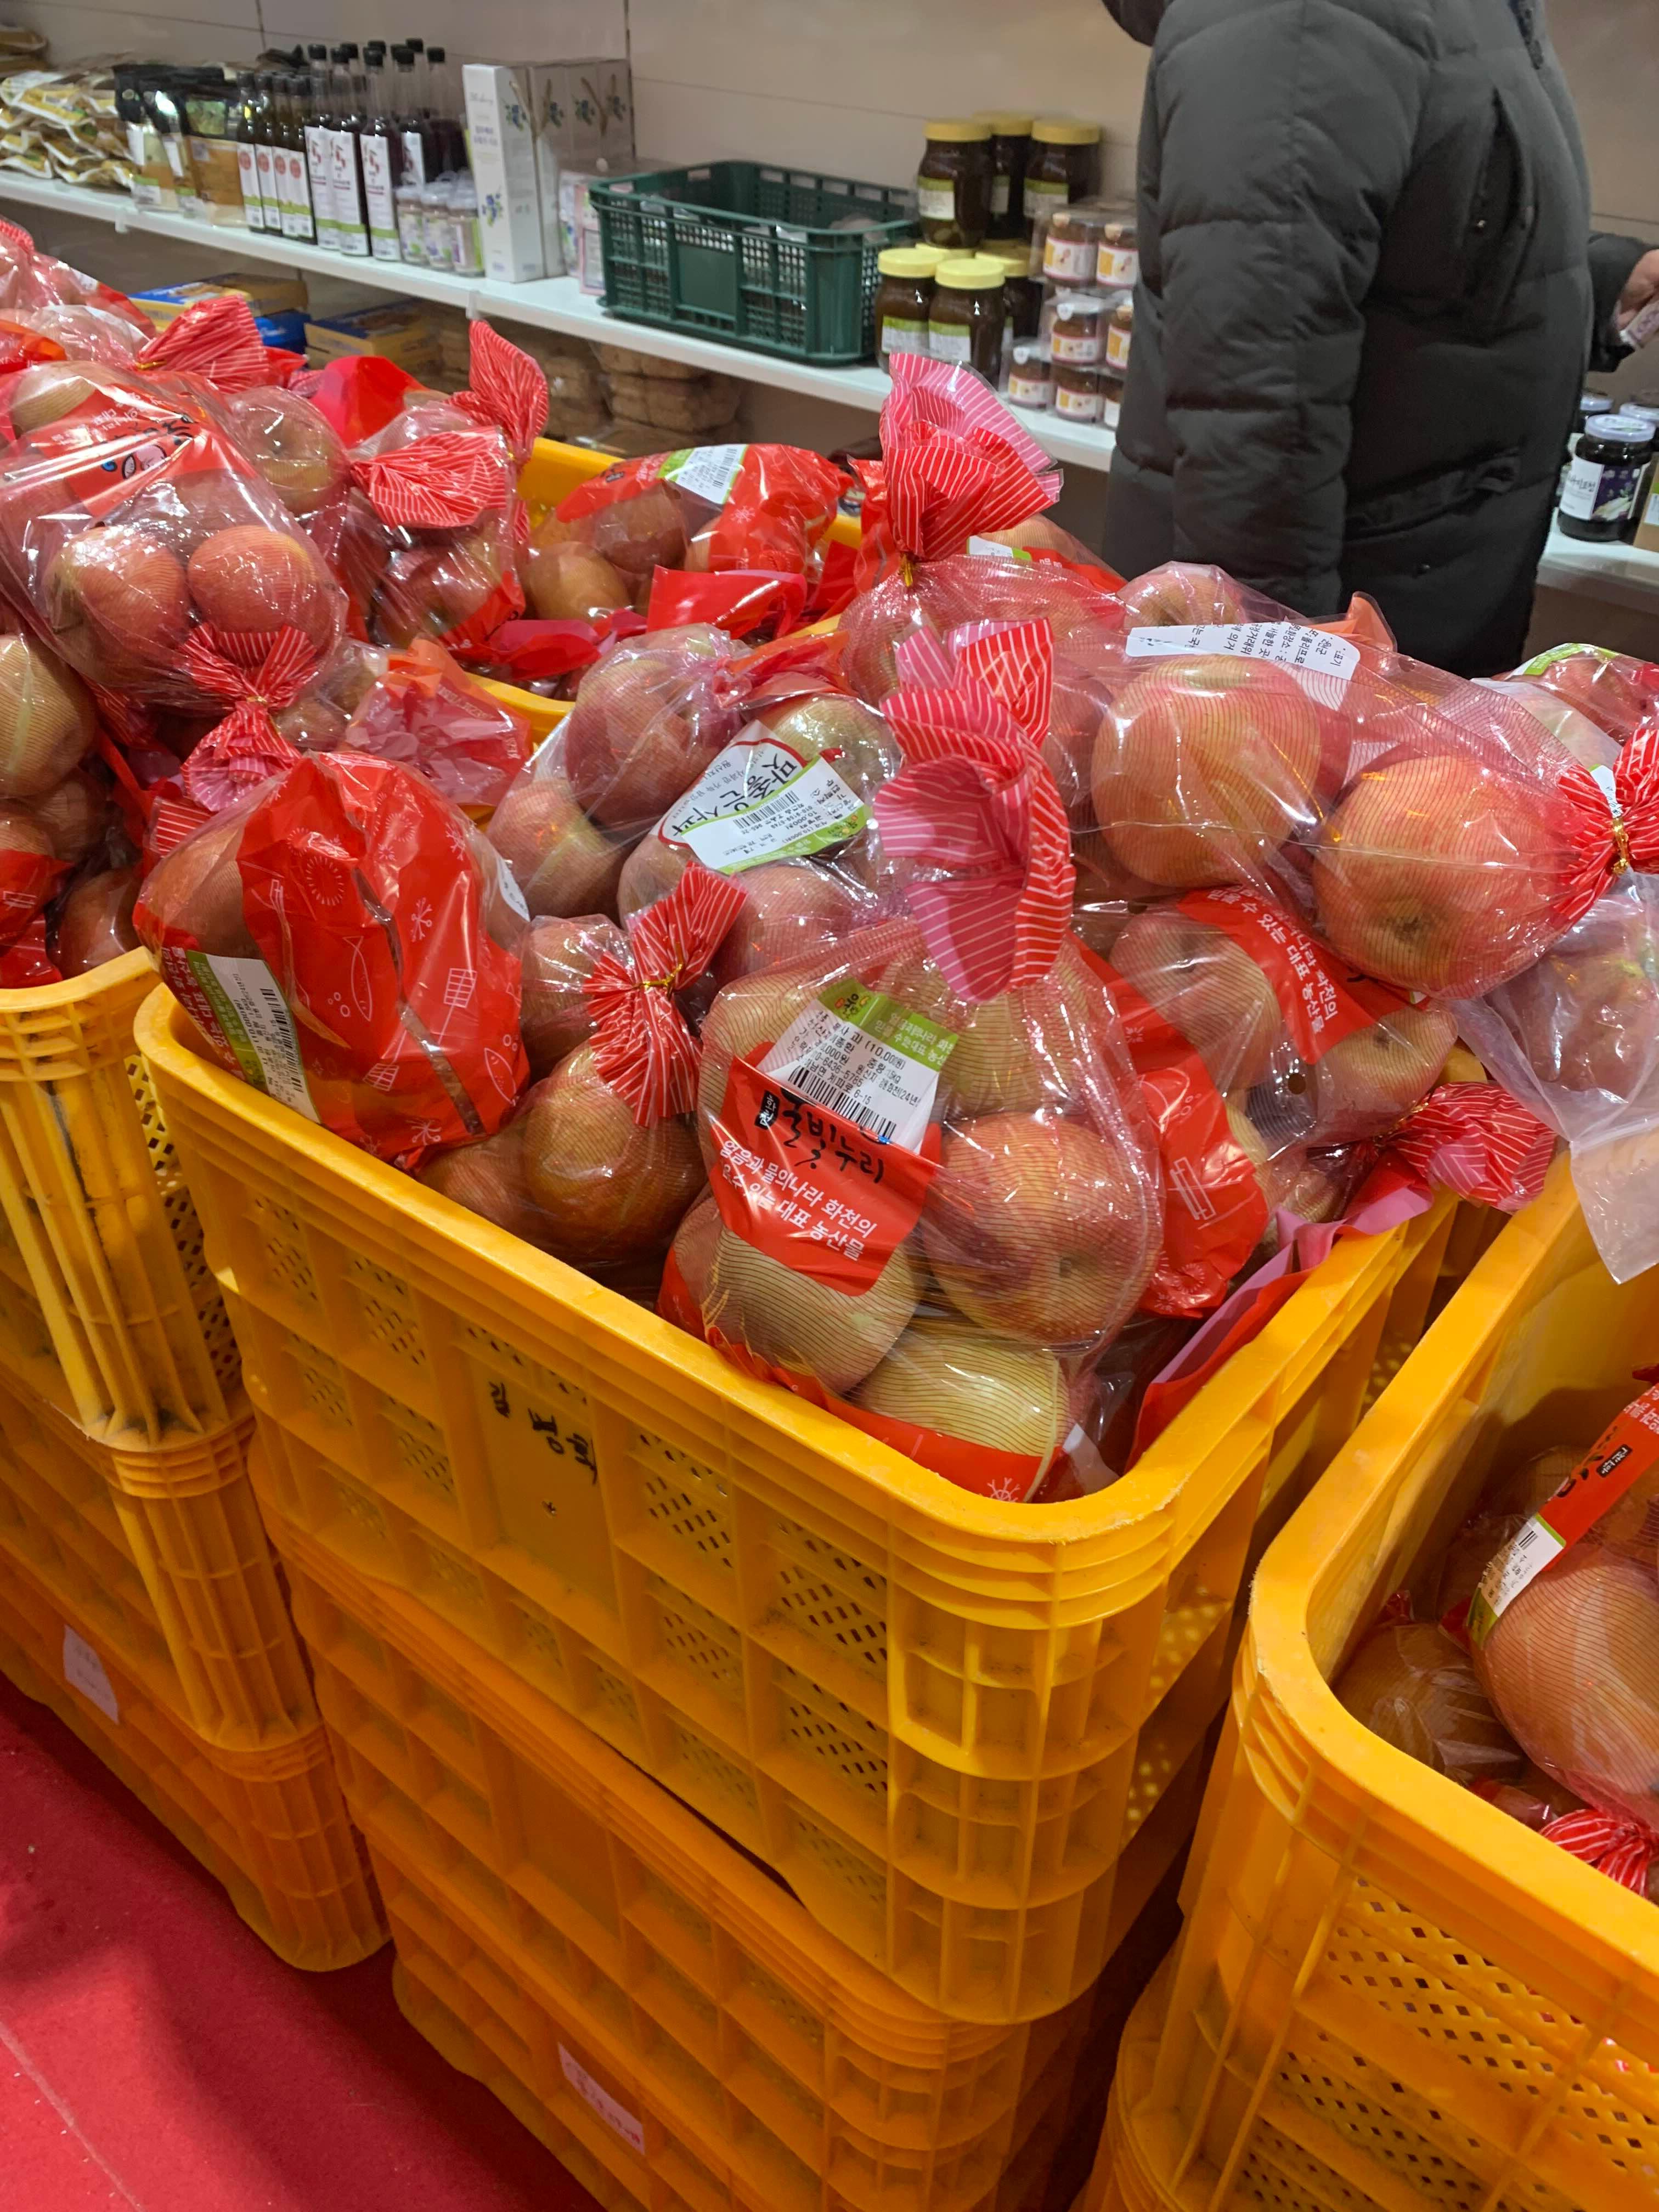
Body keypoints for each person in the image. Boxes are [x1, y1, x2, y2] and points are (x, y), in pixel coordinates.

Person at [1099, 0, 1659, 673]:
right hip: (1345, 629)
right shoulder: (1296, 19)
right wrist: (1277, 683)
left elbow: (1441, 220)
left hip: (1407, 599)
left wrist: (1597, 285)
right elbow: (1256, 403)